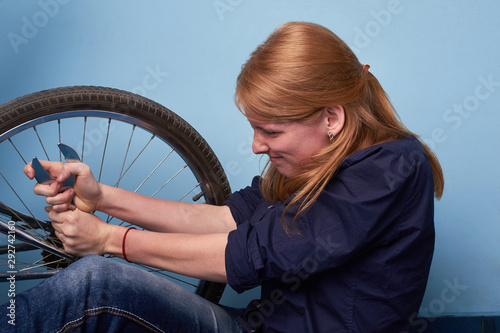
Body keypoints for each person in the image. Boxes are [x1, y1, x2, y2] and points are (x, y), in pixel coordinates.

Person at [3, 21, 443, 332]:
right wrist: (101, 197)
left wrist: (109, 241)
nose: (256, 146)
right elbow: (224, 221)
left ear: (331, 116)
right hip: (257, 324)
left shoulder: (390, 170)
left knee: (95, 283)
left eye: (270, 131)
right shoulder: (314, 161)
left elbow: (248, 255)